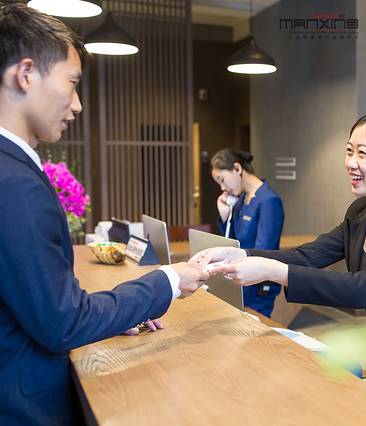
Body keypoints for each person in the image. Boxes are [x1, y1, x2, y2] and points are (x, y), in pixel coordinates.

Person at [0, 4, 209, 424]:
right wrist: (168, 280)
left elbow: (41, 303)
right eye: (72, 83)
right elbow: (63, 322)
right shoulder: (14, 182)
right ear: (26, 74)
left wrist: (116, 314)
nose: (77, 105)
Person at [191, 110, 366, 312]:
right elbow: (308, 256)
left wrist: (273, 271)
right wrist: (240, 253)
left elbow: (365, 288)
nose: (350, 163)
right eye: (349, 151)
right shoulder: (360, 212)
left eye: (362, 153)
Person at [210, 148, 284, 317]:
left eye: (222, 180)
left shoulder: (269, 200)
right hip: (241, 278)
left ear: (237, 169)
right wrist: (225, 215)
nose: (223, 188)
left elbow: (264, 250)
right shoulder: (242, 199)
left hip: (257, 284)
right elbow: (232, 242)